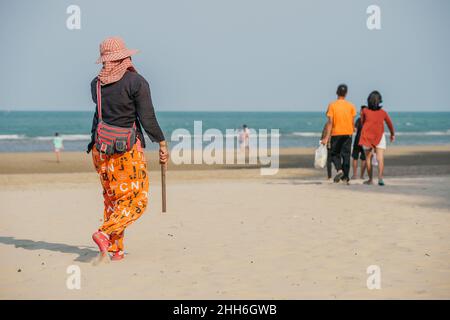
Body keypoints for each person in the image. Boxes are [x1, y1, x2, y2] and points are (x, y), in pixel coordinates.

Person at [87, 37, 169, 261]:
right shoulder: (136, 82)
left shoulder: (96, 83)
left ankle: (116, 250)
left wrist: (91, 144)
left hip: (100, 148)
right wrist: (161, 142)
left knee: (113, 200)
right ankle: (104, 233)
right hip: (126, 150)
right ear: (124, 57)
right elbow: (147, 118)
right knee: (137, 201)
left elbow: (100, 116)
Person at [321, 84, 357, 184]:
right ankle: (345, 178)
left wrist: (326, 138)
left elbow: (330, 123)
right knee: (346, 156)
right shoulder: (351, 106)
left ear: (337, 92)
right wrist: (353, 129)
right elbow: (352, 122)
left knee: (334, 154)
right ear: (346, 93)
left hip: (336, 134)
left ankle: (339, 170)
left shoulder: (332, 105)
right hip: (348, 134)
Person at [359, 91, 395, 186]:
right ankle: (380, 178)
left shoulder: (364, 111)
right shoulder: (383, 113)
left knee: (368, 158)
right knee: (380, 158)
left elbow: (362, 123)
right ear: (379, 101)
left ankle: (370, 180)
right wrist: (392, 134)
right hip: (379, 136)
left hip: (367, 136)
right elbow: (390, 124)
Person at [351, 106, 367, 179]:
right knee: (358, 158)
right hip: (361, 141)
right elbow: (355, 129)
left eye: (361, 111)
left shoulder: (361, 120)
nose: (360, 112)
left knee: (359, 158)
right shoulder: (359, 120)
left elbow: (354, 130)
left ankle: (357, 175)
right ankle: (359, 175)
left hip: (362, 141)